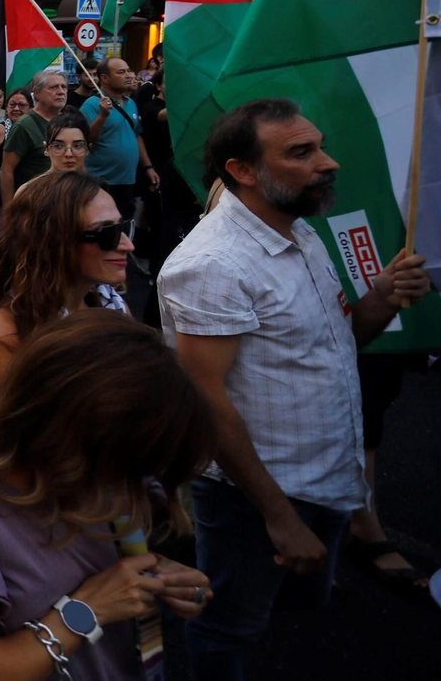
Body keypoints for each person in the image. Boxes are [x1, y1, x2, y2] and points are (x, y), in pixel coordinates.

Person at [159, 99, 430, 679]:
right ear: (243, 171)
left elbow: (332, 344)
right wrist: (278, 517)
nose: (327, 163)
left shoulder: (300, 231)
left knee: (294, 607)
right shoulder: (212, 264)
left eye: (319, 146)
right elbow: (205, 400)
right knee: (226, 625)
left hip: (325, 478)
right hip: (256, 496)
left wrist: (379, 298)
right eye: (301, 153)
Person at [0, 314, 217, 681]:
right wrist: (87, 608)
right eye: (125, 465)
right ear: (68, 432)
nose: (131, 483)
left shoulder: (118, 474)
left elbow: (98, 566)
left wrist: (158, 575)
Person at [0, 170, 130, 396]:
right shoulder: (8, 331)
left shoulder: (112, 305)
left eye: (124, 228)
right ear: (55, 240)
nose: (127, 245)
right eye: (107, 233)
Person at [79, 57, 160, 220]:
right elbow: (86, 141)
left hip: (127, 180)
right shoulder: (92, 105)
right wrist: (102, 116)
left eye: (129, 70)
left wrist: (148, 167)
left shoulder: (130, 103)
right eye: (121, 72)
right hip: (101, 182)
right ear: (105, 78)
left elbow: (136, 135)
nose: (128, 75)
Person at [0, 70, 69, 204]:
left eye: (64, 87)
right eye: (53, 87)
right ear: (37, 93)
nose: (61, 91)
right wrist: (9, 209)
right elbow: (6, 171)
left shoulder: (66, 121)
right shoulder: (24, 125)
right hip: (33, 204)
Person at [41, 108, 92, 176]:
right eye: (58, 146)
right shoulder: (31, 186)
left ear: (88, 149)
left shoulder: (94, 186)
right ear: (46, 148)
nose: (69, 154)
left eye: (77, 146)